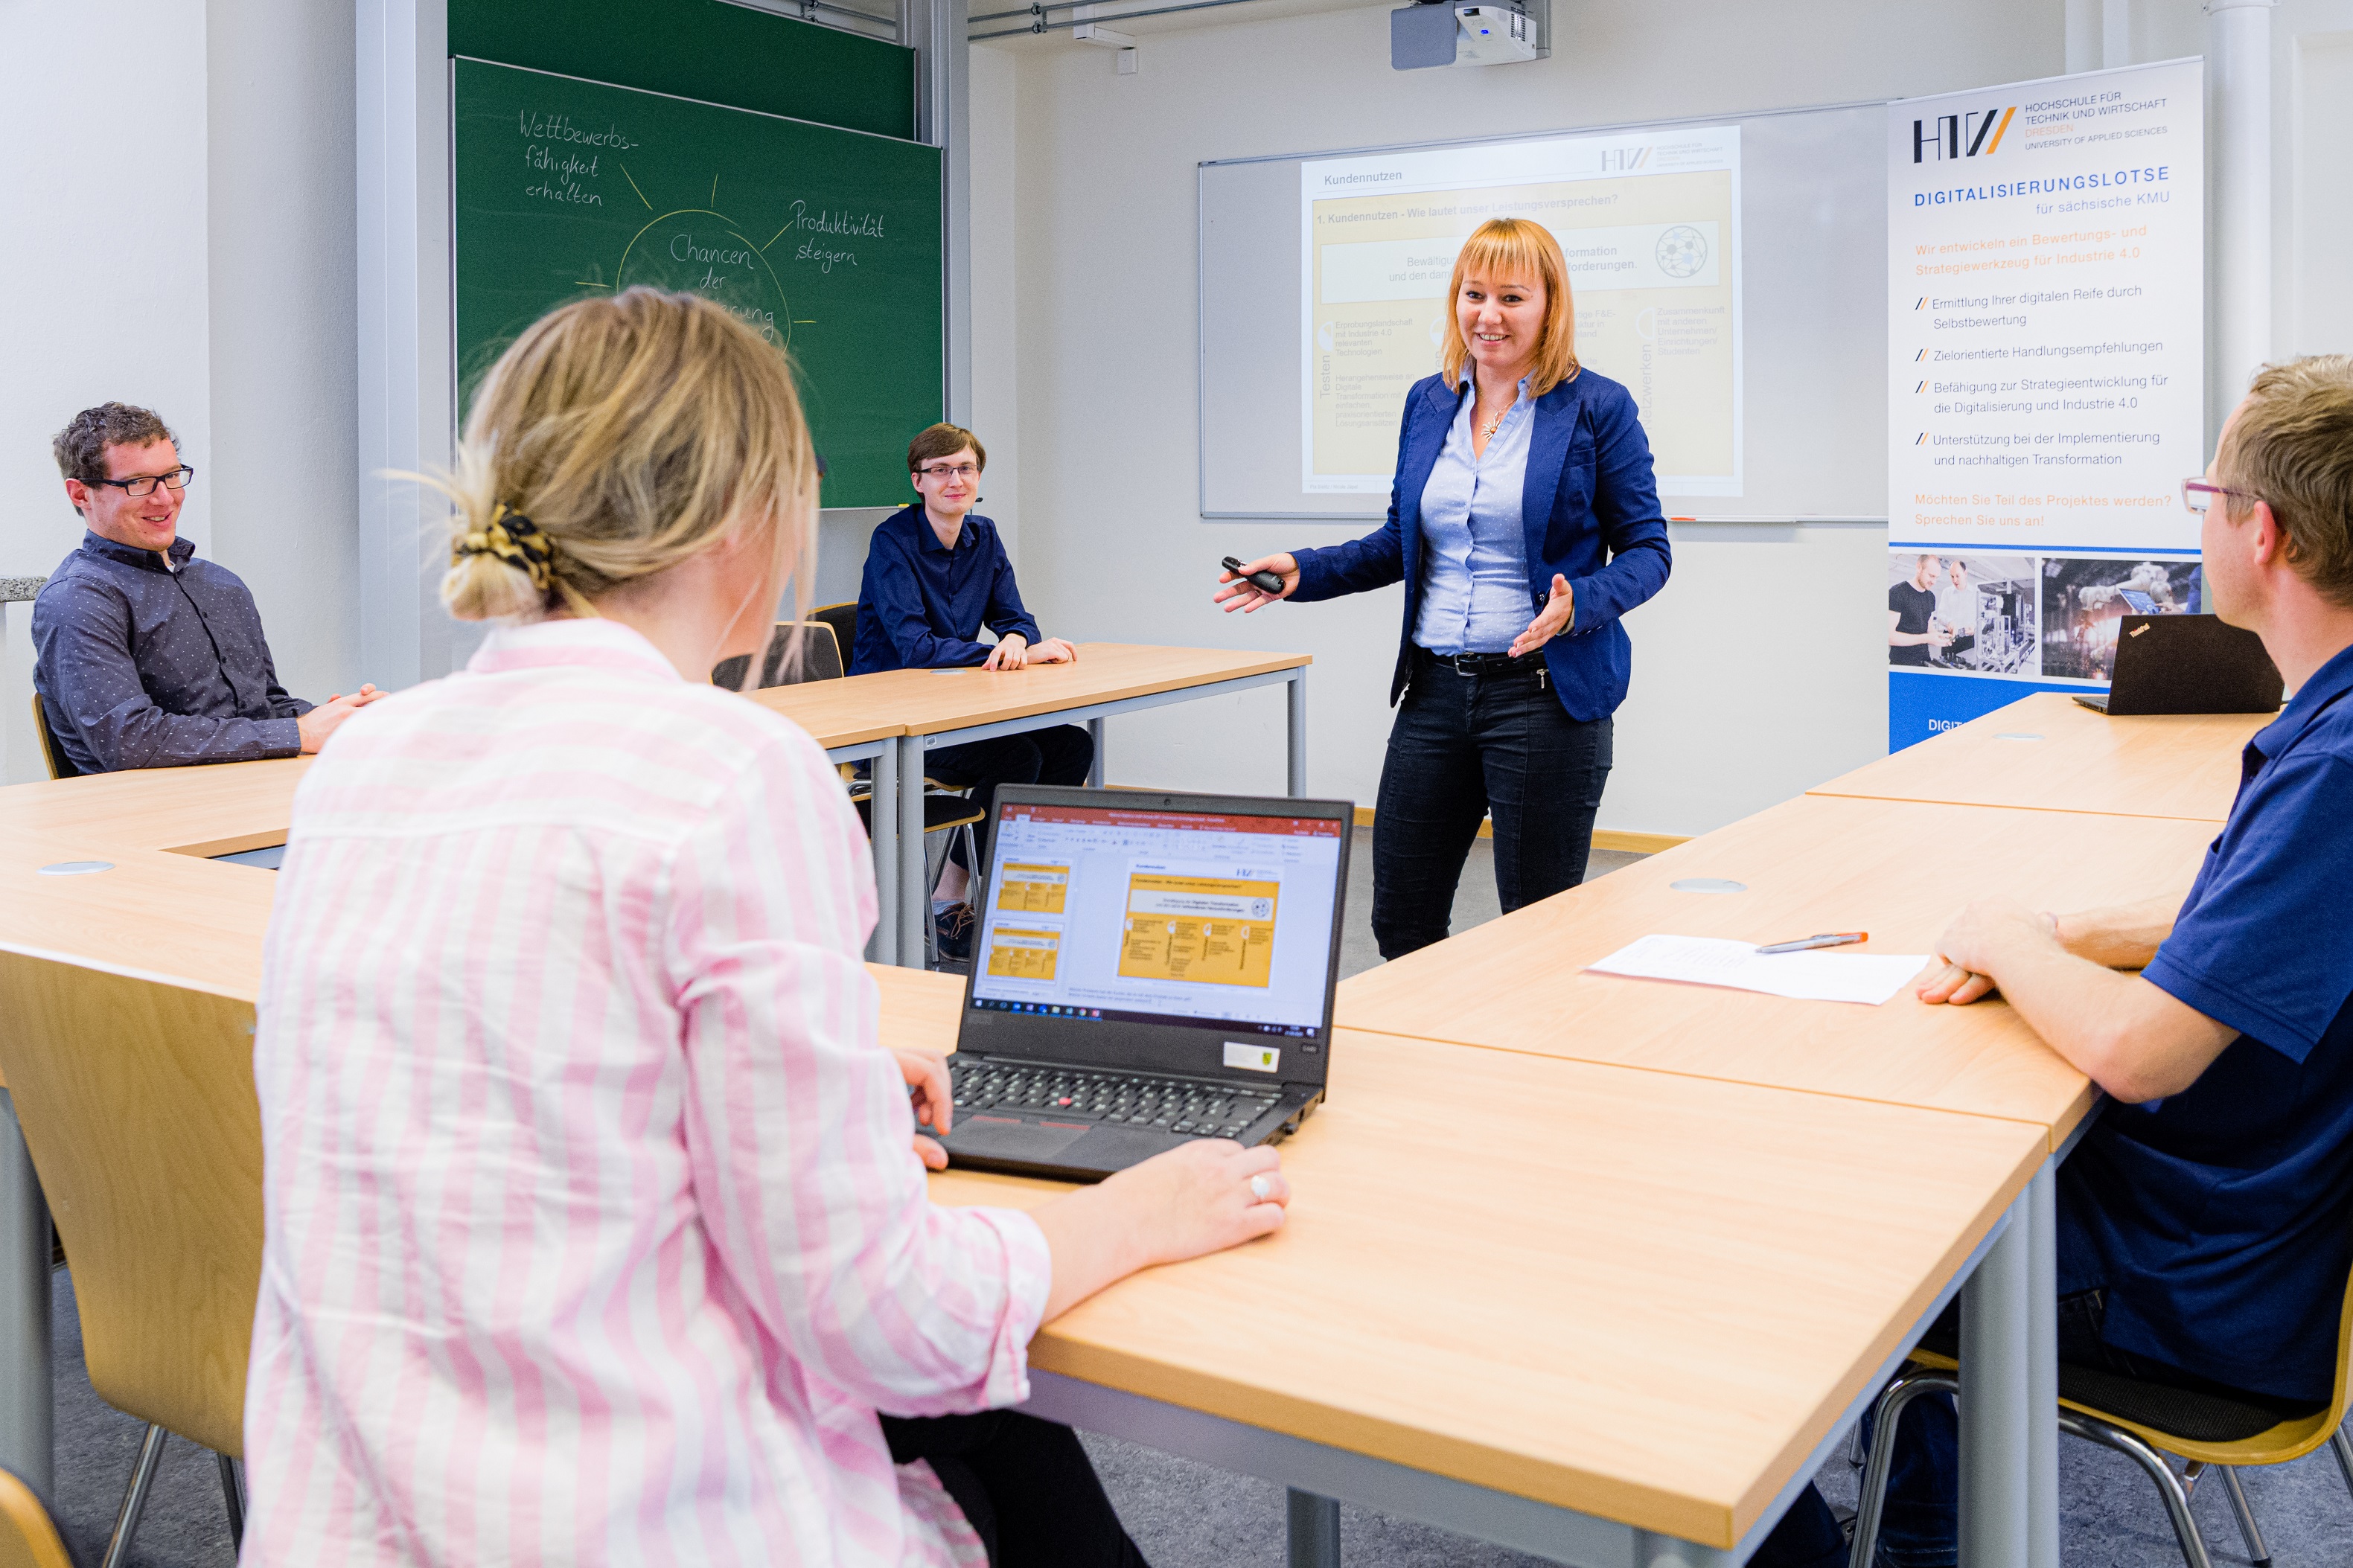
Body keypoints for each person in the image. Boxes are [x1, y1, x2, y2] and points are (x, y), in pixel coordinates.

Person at [240, 289, 1292, 1567]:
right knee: (1011, 1444)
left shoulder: (365, 761)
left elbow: (523, 1084)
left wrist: (833, 1096)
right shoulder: (734, 774)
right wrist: (1144, 1204)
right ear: (749, 515)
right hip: (651, 1521)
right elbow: (888, 1319)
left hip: (364, 1520)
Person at [1755, 354, 2353, 1568]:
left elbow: (2140, 1052)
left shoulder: (2337, 771)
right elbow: (2235, 906)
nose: (2198, 514)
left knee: (1810, 1226)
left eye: (2209, 488)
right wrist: (2067, 936)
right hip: (2225, 1216)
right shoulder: (2328, 724)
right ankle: (1923, 1508)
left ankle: (1908, 1533)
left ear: (2267, 530)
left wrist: (2011, 940)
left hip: (2190, 1279)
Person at [1215, 217, 1671, 959]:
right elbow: (1399, 543)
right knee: (1400, 918)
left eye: (1511, 298)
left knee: (1538, 930)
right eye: (1473, 295)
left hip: (1543, 696)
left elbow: (1649, 550)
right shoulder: (1428, 403)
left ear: (1549, 307)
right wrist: (1301, 570)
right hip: (1433, 693)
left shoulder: (1596, 406)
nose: (1487, 316)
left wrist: (1576, 604)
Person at [31, 403, 379, 772]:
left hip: (253, 792)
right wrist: (298, 733)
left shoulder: (220, 583)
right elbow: (130, 742)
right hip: (158, 816)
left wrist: (337, 720)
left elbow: (266, 705)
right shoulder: (78, 599)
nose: (165, 498)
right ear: (81, 494)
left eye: (172, 476)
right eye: (138, 483)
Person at [851, 422, 1090, 957]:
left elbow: (1017, 619)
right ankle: (947, 899)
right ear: (918, 481)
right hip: (894, 715)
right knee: (1017, 756)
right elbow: (914, 645)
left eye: (965, 468)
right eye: (940, 471)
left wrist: (1013, 638)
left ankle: (1013, 890)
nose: (954, 480)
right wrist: (1004, 654)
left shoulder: (985, 536)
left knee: (1074, 744)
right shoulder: (892, 541)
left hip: (954, 703)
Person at [1887, 552, 1950, 668]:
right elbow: (1889, 637)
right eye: (1931, 576)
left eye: (1936, 577)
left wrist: (1940, 637)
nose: (1934, 582)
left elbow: (1929, 628)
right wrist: (1926, 638)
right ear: (1919, 567)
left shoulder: (1931, 597)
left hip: (1925, 661)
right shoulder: (1897, 593)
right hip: (1902, 665)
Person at [1932, 556, 1976, 665]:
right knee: (1946, 667)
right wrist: (1949, 622)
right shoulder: (1947, 592)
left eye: (1957, 576)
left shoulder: (1975, 593)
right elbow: (1941, 615)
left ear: (1965, 574)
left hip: (1967, 639)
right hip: (1950, 639)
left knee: (1967, 668)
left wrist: (1975, 626)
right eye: (1952, 576)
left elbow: (1981, 617)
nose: (1955, 580)